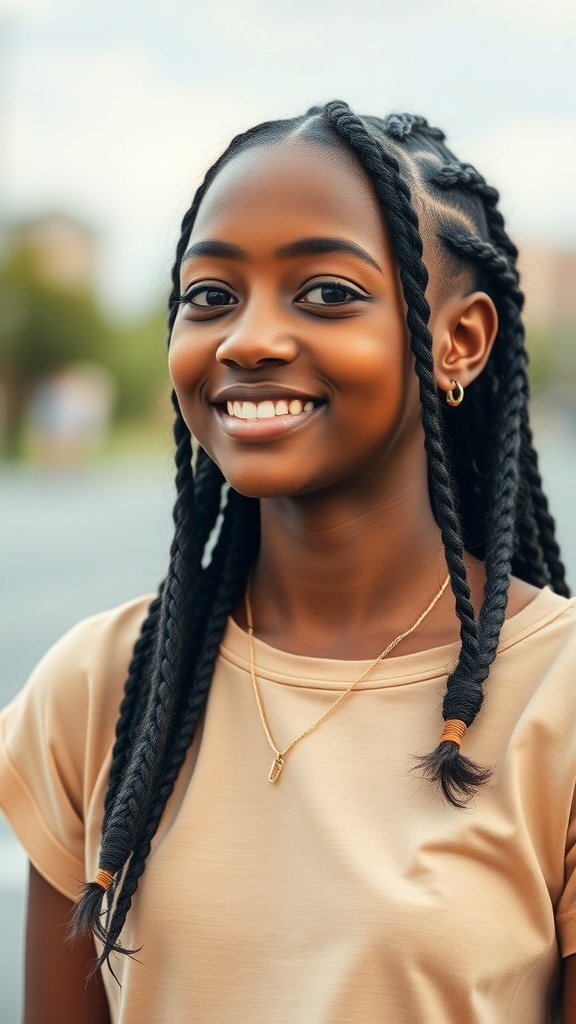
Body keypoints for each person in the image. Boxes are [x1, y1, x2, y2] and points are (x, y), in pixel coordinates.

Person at [1, 100, 575, 1024]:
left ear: (458, 341)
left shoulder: (559, 697)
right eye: (211, 296)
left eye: (327, 294)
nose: (248, 339)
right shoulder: (100, 687)